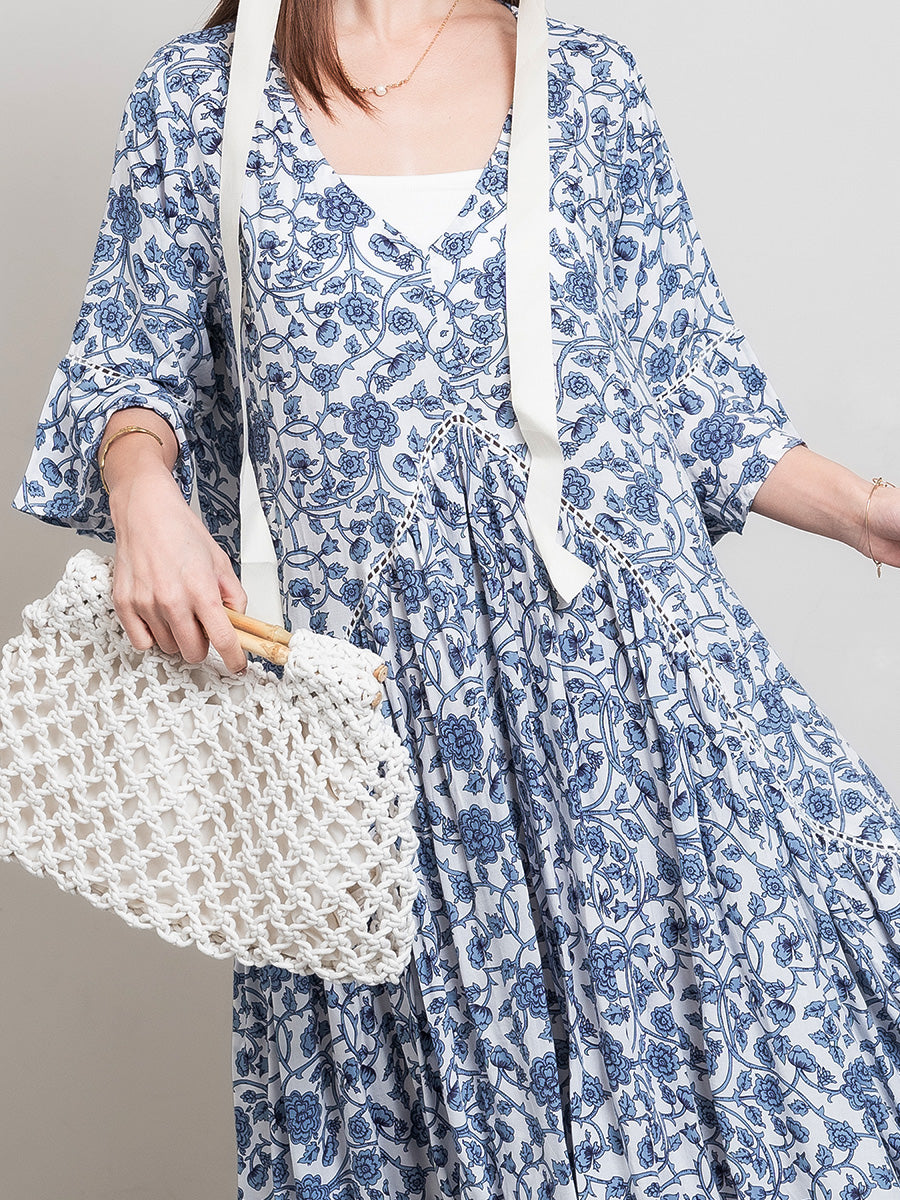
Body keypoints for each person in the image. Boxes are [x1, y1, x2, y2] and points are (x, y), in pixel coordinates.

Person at [11, 0, 900, 1196]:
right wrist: (141, 489)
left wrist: (868, 512)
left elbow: (703, 399)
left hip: (631, 709)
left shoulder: (587, 82)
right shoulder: (197, 98)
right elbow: (130, 361)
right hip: (387, 748)